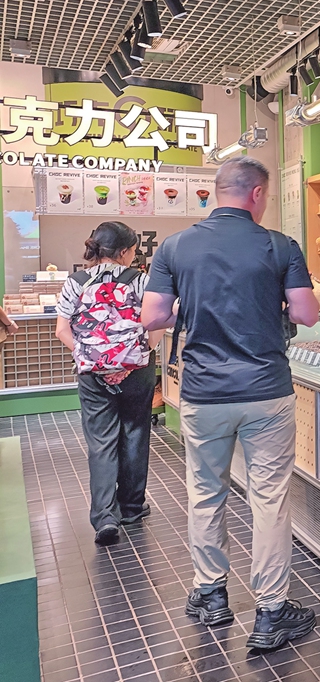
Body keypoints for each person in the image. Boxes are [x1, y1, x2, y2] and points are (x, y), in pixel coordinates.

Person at [141, 157, 320, 650]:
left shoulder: (175, 248)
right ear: (258, 194)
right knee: (270, 499)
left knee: (205, 493)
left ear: (214, 193)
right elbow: (306, 313)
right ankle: (271, 612)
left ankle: (211, 595)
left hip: (203, 393)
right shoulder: (280, 245)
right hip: (267, 390)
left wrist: (188, 304)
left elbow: (152, 317)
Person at [55, 221, 162, 546]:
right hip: (137, 371)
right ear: (127, 251)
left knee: (100, 442)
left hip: (91, 376)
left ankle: (104, 516)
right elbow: (154, 326)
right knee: (134, 434)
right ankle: (131, 507)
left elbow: (62, 330)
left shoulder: (75, 282)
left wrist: (94, 360)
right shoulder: (143, 280)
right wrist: (132, 360)